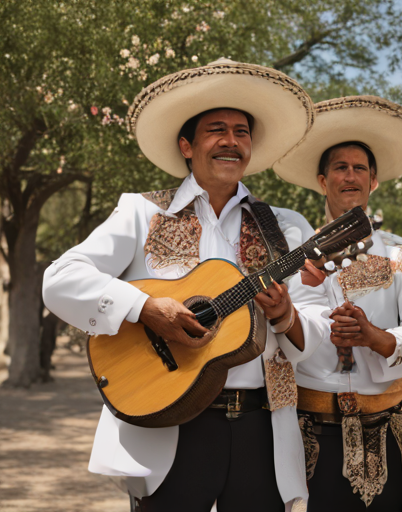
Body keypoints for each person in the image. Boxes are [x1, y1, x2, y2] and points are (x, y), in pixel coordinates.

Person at [42, 58, 329, 512]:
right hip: (168, 425)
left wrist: (285, 315)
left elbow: (316, 327)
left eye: (242, 132)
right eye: (217, 129)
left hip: (262, 427)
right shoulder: (141, 213)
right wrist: (144, 307)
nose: (231, 141)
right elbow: (59, 278)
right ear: (186, 146)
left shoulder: (287, 229)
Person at [274, 95, 402, 511]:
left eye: (359, 169)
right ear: (322, 179)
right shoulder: (289, 255)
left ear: (373, 181)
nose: (349, 176)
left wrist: (378, 338)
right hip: (304, 435)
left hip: (383, 431)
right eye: (340, 167)